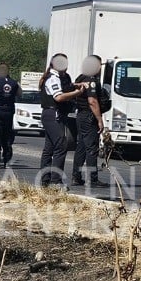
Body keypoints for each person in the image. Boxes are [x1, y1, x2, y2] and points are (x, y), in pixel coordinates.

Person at [38, 54, 80, 187]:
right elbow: (59, 97)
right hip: (53, 114)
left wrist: (76, 85)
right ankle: (55, 181)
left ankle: (45, 180)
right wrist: (77, 93)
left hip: (52, 114)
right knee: (61, 145)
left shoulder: (60, 77)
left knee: (49, 147)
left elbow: (66, 87)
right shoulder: (53, 78)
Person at [71, 55, 108, 188]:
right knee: (91, 148)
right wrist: (99, 119)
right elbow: (92, 101)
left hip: (81, 115)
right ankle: (92, 179)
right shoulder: (91, 80)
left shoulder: (81, 78)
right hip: (89, 116)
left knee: (81, 147)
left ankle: (76, 176)